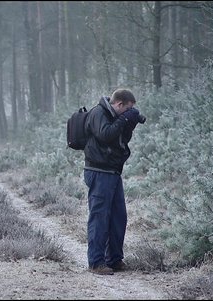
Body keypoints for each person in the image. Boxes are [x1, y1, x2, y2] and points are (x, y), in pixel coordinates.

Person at [83, 88, 144, 275]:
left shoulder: (115, 116)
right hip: (98, 171)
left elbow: (119, 140)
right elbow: (105, 135)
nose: (129, 113)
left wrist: (129, 123)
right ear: (119, 104)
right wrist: (124, 119)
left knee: (119, 217)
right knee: (100, 217)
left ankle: (114, 259)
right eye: (128, 109)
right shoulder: (98, 113)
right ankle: (96, 263)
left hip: (113, 172)